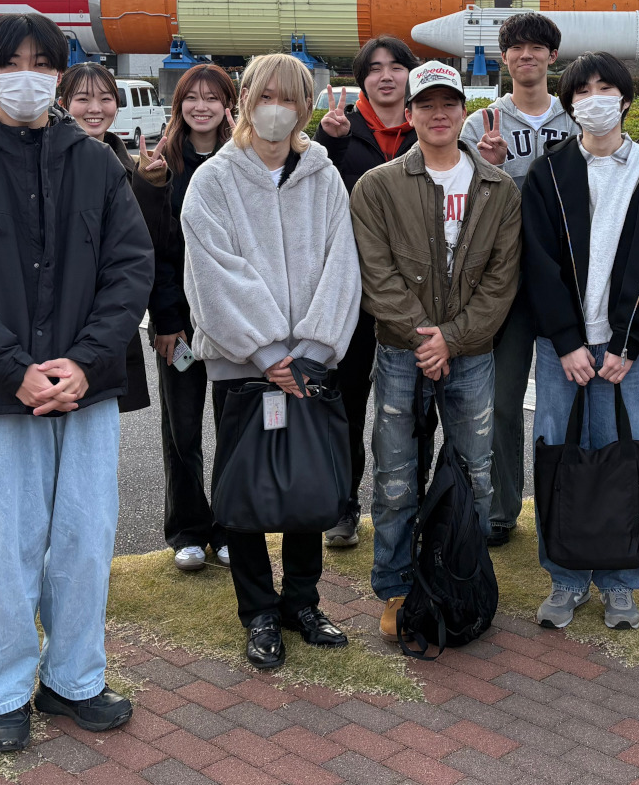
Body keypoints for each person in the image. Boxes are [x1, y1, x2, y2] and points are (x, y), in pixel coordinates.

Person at [0, 13, 153, 752]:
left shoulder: (96, 164)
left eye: (41, 63)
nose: (27, 76)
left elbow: (129, 268)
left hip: (86, 387)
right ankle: (4, 692)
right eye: (10, 63)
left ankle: (75, 678)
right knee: (3, 548)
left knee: (84, 540)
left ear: (59, 73)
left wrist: (84, 360)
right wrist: (14, 368)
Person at [180, 52, 362, 671]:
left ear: (306, 107)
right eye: (267, 95)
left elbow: (342, 264)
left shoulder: (324, 175)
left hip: (310, 365)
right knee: (248, 490)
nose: (277, 109)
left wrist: (310, 350)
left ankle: (303, 602)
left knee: (308, 481)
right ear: (246, 100)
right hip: (242, 368)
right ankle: (258, 610)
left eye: (290, 97)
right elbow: (212, 273)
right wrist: (264, 350)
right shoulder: (214, 180)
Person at [349, 60, 522, 640]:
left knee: (476, 473)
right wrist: (429, 336)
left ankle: (462, 578)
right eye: (427, 104)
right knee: (396, 475)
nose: (439, 113)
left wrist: (454, 337)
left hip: (471, 353)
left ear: (464, 111)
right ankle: (396, 586)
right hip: (401, 352)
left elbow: (501, 280)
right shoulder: (377, 186)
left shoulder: (498, 189)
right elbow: (376, 275)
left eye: (449, 103)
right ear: (411, 113)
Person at [521, 51, 639, 631]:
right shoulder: (549, 172)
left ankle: (622, 580)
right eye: (582, 91)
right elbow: (538, 262)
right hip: (561, 347)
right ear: (569, 105)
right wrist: (567, 340)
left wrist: (629, 344)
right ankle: (565, 577)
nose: (595, 99)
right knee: (557, 453)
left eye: (605, 89)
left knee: (629, 455)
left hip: (629, 350)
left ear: (626, 100)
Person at [459, 12, 576, 546]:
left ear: (553, 55)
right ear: (504, 58)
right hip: (502, 284)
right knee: (502, 403)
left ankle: (566, 506)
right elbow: (461, 206)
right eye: (516, 47)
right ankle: (501, 509)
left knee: (567, 402)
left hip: (565, 284)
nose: (526, 55)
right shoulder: (481, 124)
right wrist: (494, 170)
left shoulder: (576, 118)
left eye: (536, 47)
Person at [315, 36, 421, 548]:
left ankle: (411, 506)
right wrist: (329, 141)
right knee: (347, 403)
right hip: (352, 293)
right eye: (374, 68)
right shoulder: (341, 129)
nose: (386, 76)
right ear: (361, 80)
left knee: (411, 408)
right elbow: (314, 196)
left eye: (396, 67)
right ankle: (342, 507)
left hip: (414, 294)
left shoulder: (427, 130)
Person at [136, 64, 235, 572]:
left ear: (227, 106)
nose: (202, 106)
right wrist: (166, 319)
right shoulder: (162, 166)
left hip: (233, 319)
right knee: (183, 429)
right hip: (178, 320)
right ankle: (188, 529)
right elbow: (153, 251)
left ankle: (231, 526)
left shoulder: (242, 161)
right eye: (191, 97)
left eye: (212, 98)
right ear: (178, 105)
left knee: (235, 424)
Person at [59, 61, 151, 417]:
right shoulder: (49, 161)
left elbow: (143, 248)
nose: (95, 108)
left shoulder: (129, 165)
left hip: (111, 313)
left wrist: (153, 186)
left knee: (101, 415)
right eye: (83, 98)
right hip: (64, 312)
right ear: (63, 103)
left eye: (106, 98)